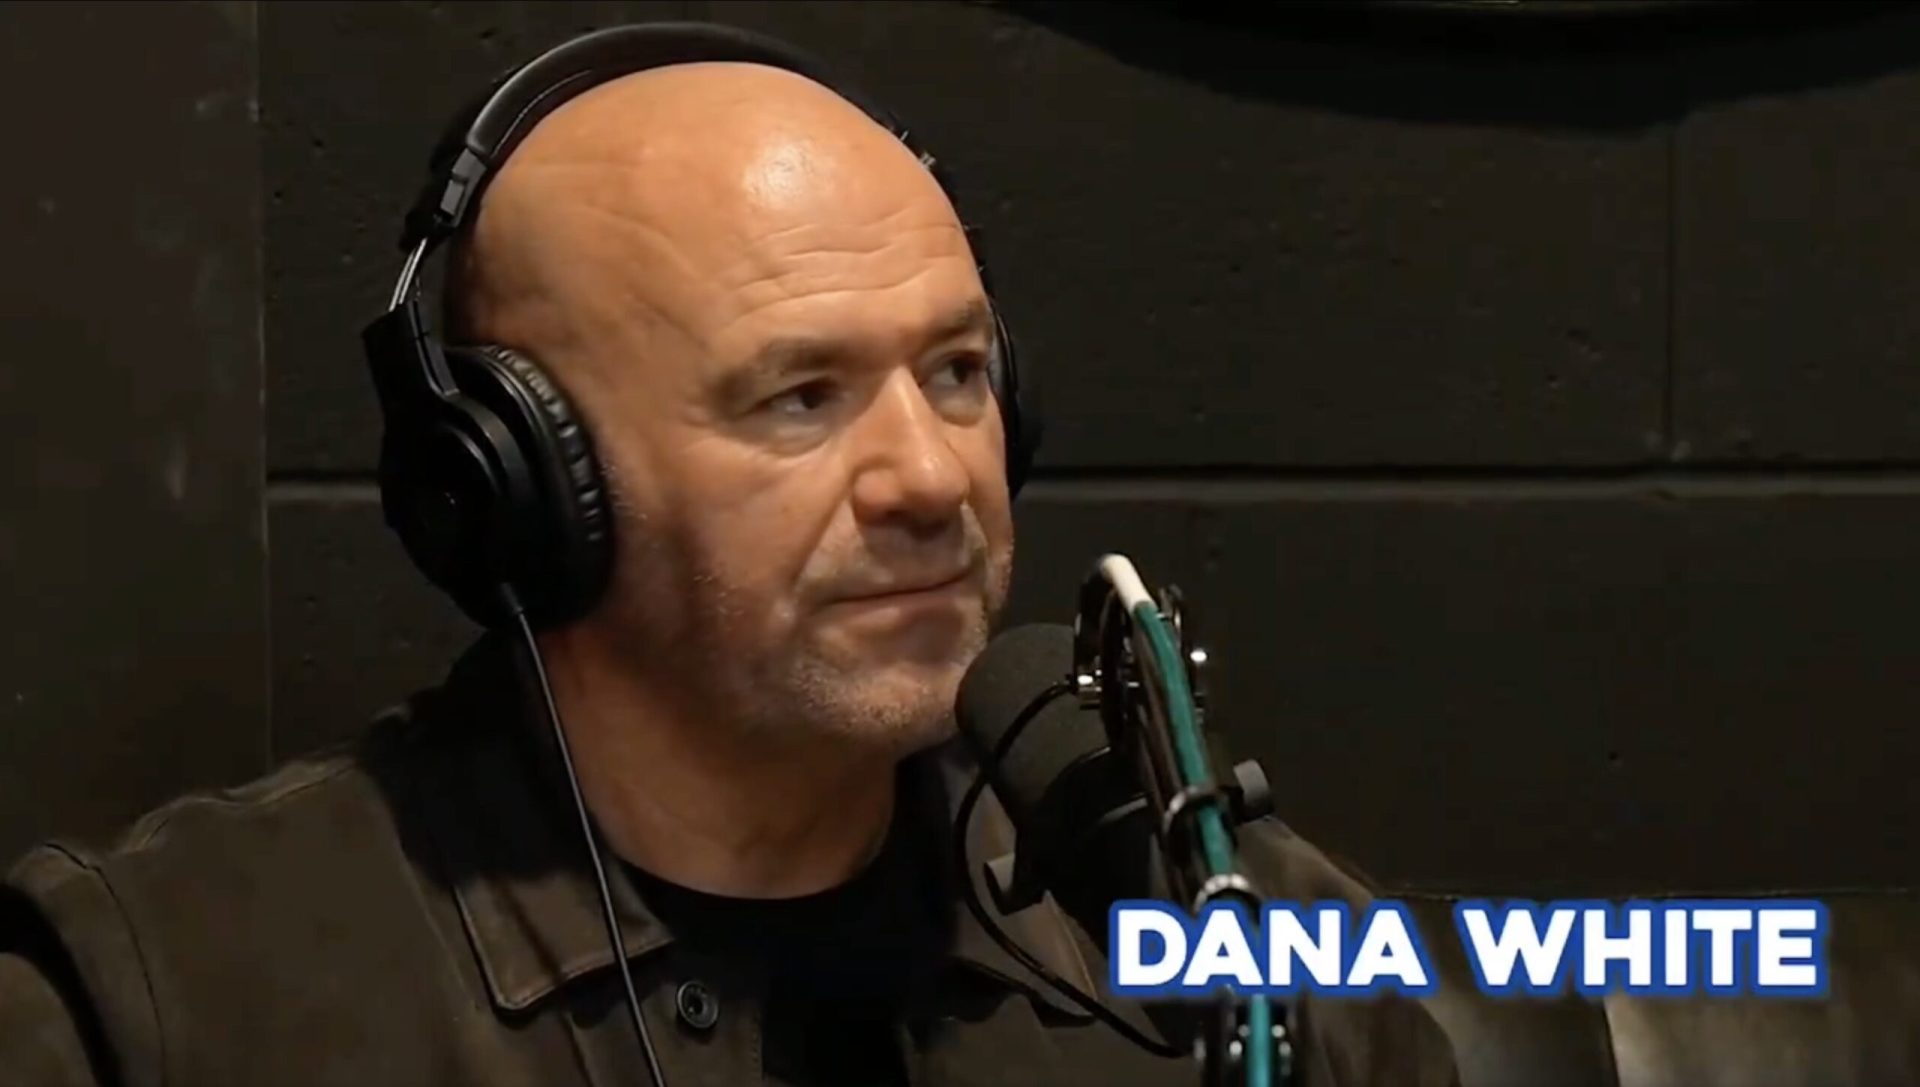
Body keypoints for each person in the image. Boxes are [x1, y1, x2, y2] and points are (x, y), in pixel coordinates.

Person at [0, 23, 1460, 1087]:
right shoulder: (164, 1005)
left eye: (956, 373)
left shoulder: (1244, 949)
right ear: (521, 485)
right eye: (801, 397)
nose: (931, 477)